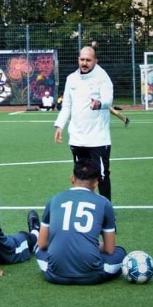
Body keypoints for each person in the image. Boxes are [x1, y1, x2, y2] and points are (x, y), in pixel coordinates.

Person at [34, 159, 126, 285]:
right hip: (91, 276)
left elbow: (42, 243)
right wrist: (92, 244)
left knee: (39, 251)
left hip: (55, 274)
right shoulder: (104, 203)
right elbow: (109, 249)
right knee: (120, 252)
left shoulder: (54, 199)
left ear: (72, 178)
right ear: (96, 183)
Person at [54, 46, 114, 200]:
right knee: (80, 175)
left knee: (101, 175)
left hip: (98, 138)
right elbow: (67, 105)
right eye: (82, 59)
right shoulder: (71, 79)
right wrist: (60, 125)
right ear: (78, 59)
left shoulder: (103, 77)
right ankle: (83, 204)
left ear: (95, 61)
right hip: (77, 137)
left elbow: (108, 99)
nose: (84, 63)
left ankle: (106, 209)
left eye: (88, 60)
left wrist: (99, 103)